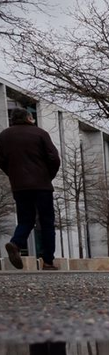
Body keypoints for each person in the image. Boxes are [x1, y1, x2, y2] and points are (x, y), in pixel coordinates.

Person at [1, 110, 62, 271]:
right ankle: (48, 261)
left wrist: (13, 174)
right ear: (29, 118)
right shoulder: (40, 133)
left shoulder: (4, 136)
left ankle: (16, 243)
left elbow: (1, 160)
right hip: (42, 185)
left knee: (26, 219)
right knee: (47, 221)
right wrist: (48, 176)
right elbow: (54, 158)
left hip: (20, 186)